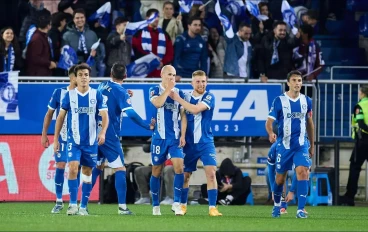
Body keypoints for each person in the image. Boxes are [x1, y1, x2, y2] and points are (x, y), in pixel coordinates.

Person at [89, 62, 155, 215]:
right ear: (125, 76)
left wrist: (125, 94)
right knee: (120, 169)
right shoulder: (121, 92)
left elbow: (110, 97)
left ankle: (82, 204)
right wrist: (147, 126)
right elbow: (130, 113)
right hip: (109, 135)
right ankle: (122, 207)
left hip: (96, 133)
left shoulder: (102, 85)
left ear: (111, 74)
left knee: (97, 167)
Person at [53, 63, 109, 216]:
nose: (84, 77)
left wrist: (102, 132)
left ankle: (83, 206)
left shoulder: (97, 94)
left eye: (86, 75)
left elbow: (105, 116)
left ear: (89, 78)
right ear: (75, 79)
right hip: (74, 141)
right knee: (72, 168)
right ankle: (72, 204)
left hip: (91, 142)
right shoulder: (69, 96)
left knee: (87, 172)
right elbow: (60, 117)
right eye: (80, 75)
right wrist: (56, 138)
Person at [168, 70, 222, 216]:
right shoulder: (186, 96)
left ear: (207, 82)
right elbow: (184, 116)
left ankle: (212, 208)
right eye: (198, 81)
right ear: (192, 83)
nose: (201, 84)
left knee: (211, 174)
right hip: (189, 144)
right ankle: (183, 206)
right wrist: (183, 135)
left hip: (205, 142)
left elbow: (196, 109)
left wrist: (178, 99)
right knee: (186, 175)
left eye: (203, 81)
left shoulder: (209, 96)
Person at [266, 70, 314, 219]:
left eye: (299, 80)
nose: (297, 83)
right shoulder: (279, 101)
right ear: (288, 83)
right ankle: (277, 206)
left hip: (301, 144)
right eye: (294, 80)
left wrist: (311, 145)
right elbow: (269, 122)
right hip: (284, 145)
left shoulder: (307, 100)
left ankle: (300, 209)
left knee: (303, 171)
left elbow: (310, 124)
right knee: (280, 178)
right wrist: (270, 133)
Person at [149, 65, 187, 216]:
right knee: (156, 171)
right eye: (169, 75)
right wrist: (167, 90)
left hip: (175, 138)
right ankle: (155, 205)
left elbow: (183, 116)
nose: (172, 78)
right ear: (162, 75)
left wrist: (183, 135)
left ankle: (176, 203)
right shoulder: (154, 89)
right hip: (159, 138)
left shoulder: (180, 93)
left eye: (174, 75)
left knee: (179, 168)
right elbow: (158, 103)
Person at [41, 65, 77, 214]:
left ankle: (75, 203)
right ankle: (59, 201)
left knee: (76, 167)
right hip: (62, 137)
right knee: (60, 165)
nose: (82, 78)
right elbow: (49, 114)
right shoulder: (59, 93)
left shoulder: (87, 94)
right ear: (71, 77)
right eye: (78, 75)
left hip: (78, 138)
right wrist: (44, 134)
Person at [340, 85, 368, 206]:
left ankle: (349, 197)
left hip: (363, 141)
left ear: (362, 93)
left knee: (355, 167)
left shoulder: (360, 106)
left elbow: (361, 124)